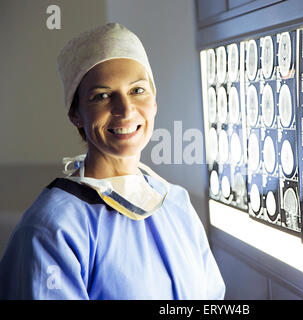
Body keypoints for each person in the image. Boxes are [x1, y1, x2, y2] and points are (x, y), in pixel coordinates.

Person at [0, 23, 225, 299]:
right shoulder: (53, 228)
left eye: (137, 90)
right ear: (75, 114)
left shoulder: (176, 205)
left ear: (154, 101)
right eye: (102, 96)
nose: (125, 109)